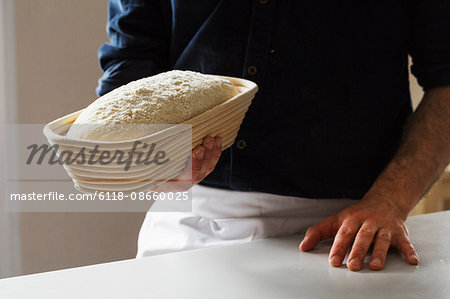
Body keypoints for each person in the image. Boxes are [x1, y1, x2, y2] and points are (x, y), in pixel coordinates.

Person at [96, 0, 450, 271]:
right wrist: (150, 161)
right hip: (191, 219)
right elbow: (130, 69)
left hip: (352, 229)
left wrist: (390, 200)